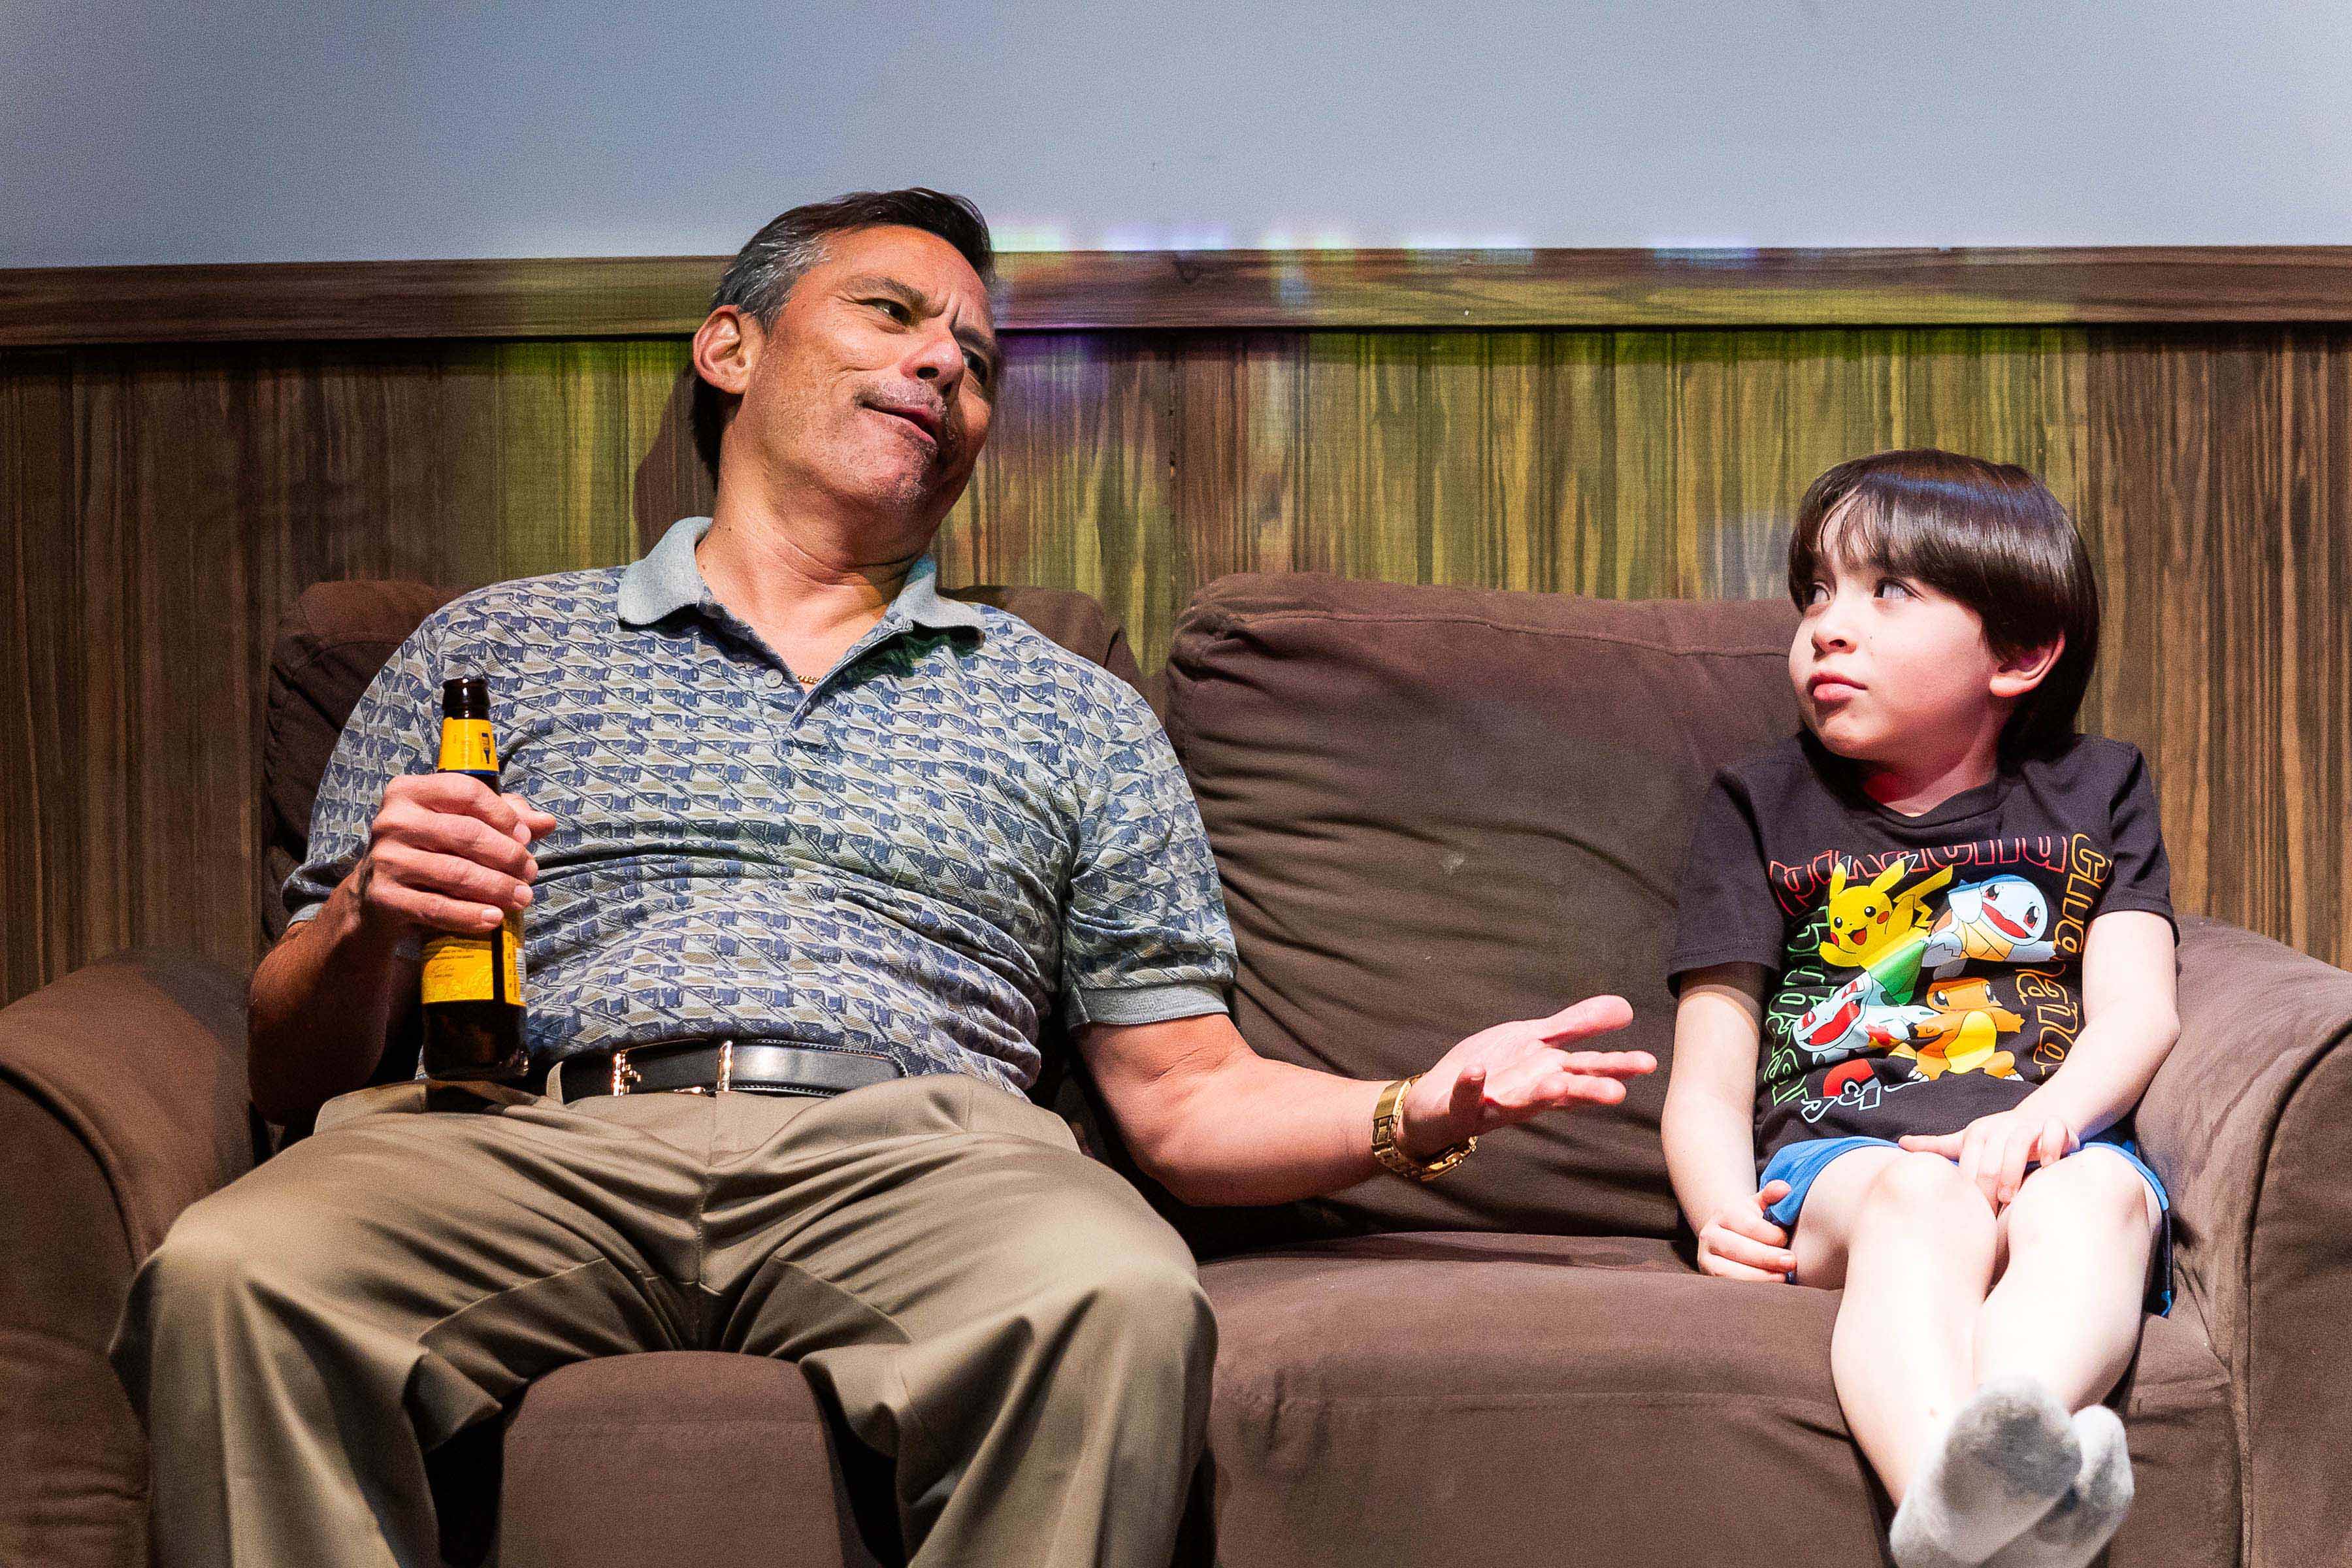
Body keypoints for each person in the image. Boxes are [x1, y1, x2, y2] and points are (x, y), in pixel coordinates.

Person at [108, 188, 1654, 1568]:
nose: (943, 368)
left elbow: (1186, 1098)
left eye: (976, 360)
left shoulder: (1069, 709)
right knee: (236, 1274)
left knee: (1114, 1294)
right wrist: (373, 917)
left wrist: (1410, 1111)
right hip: (528, 1132)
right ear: (731, 348)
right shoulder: (493, 646)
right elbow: (290, 1064)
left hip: (919, 1153)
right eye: (894, 314)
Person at [1660, 449, 2179, 1568]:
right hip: (1843, 1166)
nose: (1827, 628)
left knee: (2102, 1200)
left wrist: (2045, 1125)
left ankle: (1986, 1505)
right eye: (1816, 593)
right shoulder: (1762, 805)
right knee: (1919, 1199)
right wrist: (1719, 1210)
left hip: (2048, 1144)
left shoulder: (2097, 790)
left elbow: (2140, 1012)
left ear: (2021, 653)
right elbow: (1709, 1067)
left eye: (1887, 590)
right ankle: (1955, 1508)